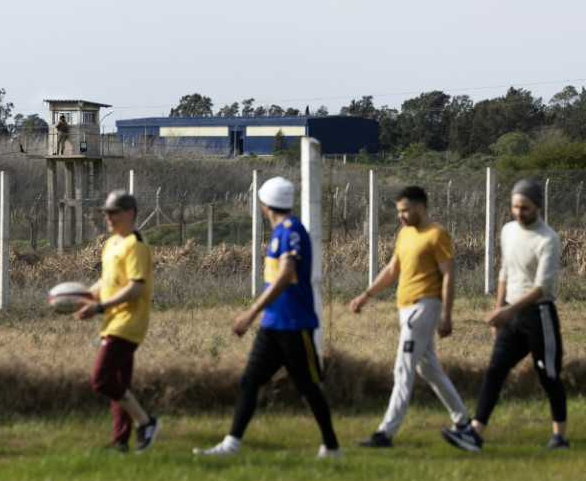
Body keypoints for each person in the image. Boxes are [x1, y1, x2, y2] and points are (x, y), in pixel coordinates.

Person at [193, 177, 342, 458]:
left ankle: (332, 447)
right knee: (250, 380)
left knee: (309, 388)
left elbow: (286, 275)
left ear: (266, 204)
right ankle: (232, 444)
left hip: (295, 325)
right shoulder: (280, 232)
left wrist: (251, 311)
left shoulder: (291, 231)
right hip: (272, 326)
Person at [442, 179, 569, 451]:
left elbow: (542, 287)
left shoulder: (548, 239)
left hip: (539, 316)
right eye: (514, 206)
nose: (518, 213)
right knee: (494, 372)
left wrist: (507, 311)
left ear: (537, 206)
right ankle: (475, 434)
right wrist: (500, 311)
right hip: (510, 316)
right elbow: (505, 273)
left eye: (524, 208)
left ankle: (559, 437)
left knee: (548, 375)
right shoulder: (508, 231)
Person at [349, 185, 470, 448]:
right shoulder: (405, 234)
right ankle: (463, 424)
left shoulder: (437, 235)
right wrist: (366, 294)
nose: (401, 216)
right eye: (398, 211)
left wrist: (446, 314)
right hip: (407, 309)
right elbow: (393, 269)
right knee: (429, 369)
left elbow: (448, 275)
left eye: (405, 210)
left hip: (423, 308)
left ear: (420, 208)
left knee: (403, 368)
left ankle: (385, 433)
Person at [74, 190, 160, 453]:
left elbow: (135, 288)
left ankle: (146, 422)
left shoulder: (136, 245)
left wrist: (98, 307)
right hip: (113, 320)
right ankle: (120, 441)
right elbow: (106, 281)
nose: (108, 218)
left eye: (113, 213)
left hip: (128, 322)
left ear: (130, 213)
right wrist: (78, 299)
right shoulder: (111, 244)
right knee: (120, 382)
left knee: (101, 379)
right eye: (106, 213)